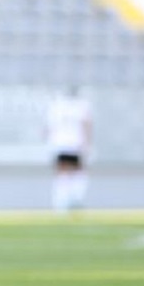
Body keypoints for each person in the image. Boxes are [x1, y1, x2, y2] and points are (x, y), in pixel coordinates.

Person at [44, 86, 93, 214]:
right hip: (75, 143)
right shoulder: (81, 105)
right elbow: (86, 124)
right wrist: (87, 143)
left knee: (63, 172)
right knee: (77, 171)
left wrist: (50, 144)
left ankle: (61, 203)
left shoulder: (56, 105)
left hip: (60, 144)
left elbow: (48, 128)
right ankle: (75, 200)